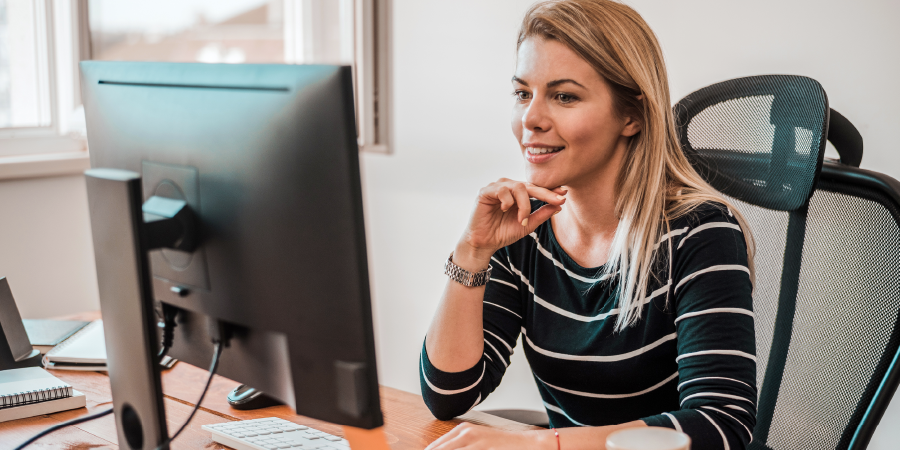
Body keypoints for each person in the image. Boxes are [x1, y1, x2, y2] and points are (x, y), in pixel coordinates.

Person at [420, 1, 757, 449]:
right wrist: (472, 250)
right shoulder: (524, 229)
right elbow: (449, 395)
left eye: (564, 96)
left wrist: (544, 446)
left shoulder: (701, 233)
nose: (530, 120)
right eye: (523, 93)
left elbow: (720, 424)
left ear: (632, 116)